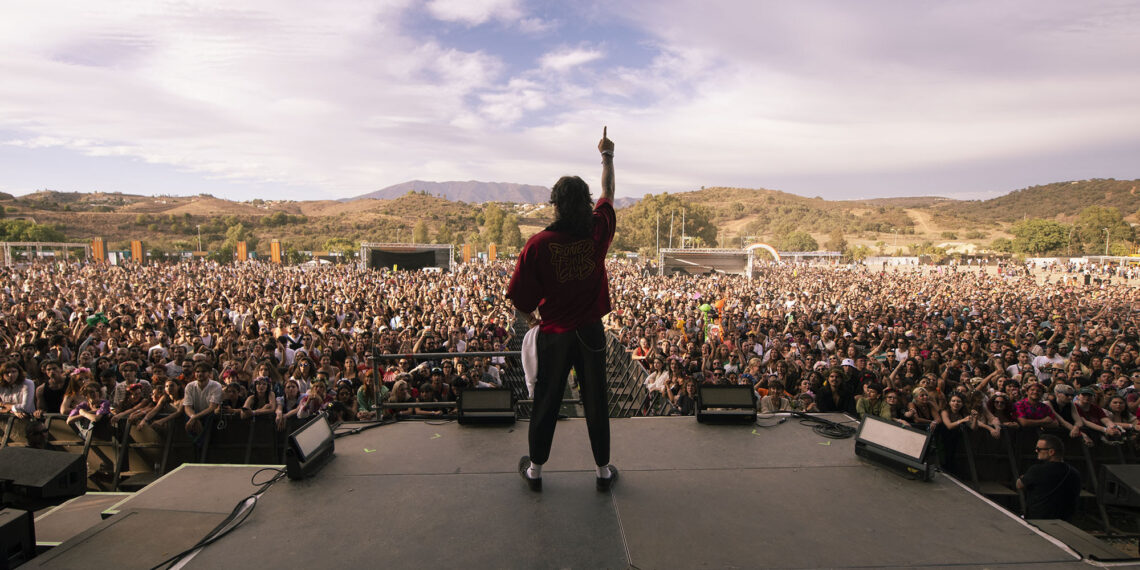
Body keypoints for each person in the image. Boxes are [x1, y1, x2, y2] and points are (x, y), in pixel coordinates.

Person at [509, 127, 618, 493]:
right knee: (596, 398)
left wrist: (532, 320)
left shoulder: (538, 245)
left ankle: (536, 470)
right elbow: (609, 193)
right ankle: (603, 470)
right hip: (590, 332)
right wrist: (607, 156)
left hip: (554, 335)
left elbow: (520, 298)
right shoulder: (597, 232)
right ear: (585, 203)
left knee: (547, 398)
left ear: (555, 204)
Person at [1017, 434, 1081, 520]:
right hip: (1064, 521)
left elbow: (1019, 484)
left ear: (1051, 452)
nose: (1036, 451)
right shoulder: (1074, 473)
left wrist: (1023, 477)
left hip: (1038, 520)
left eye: (1039, 449)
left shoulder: (1037, 470)